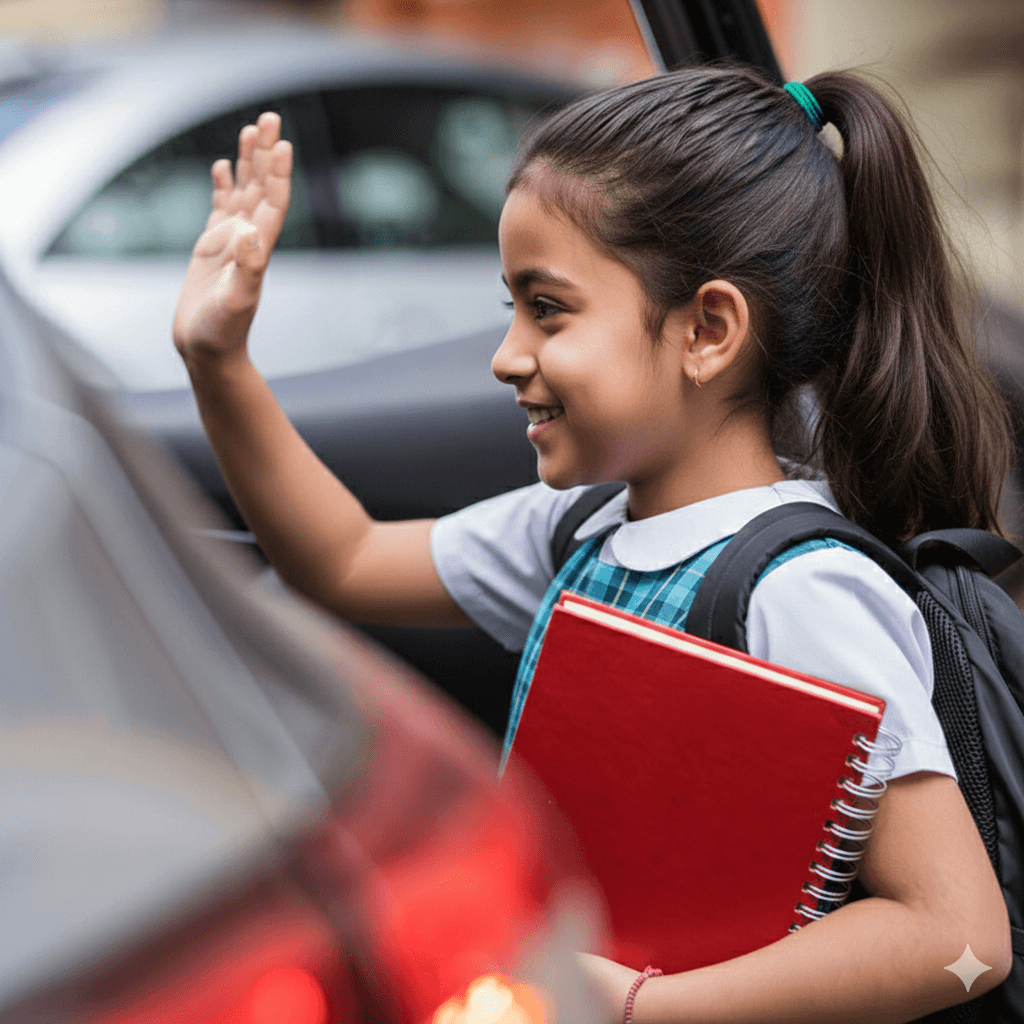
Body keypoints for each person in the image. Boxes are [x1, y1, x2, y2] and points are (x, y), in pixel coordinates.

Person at [173, 64, 1013, 1023]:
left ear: (708, 329)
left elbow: (957, 934)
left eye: (549, 308)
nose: (507, 356)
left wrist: (640, 1007)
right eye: (511, 308)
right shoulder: (585, 527)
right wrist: (219, 359)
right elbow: (342, 558)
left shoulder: (803, 592)